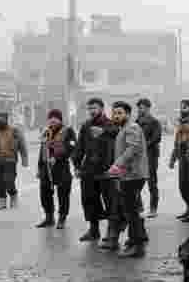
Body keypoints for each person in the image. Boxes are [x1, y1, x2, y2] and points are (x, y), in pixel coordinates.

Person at [102, 101, 150, 257]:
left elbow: (132, 149)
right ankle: (136, 240)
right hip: (128, 175)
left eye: (120, 113)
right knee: (131, 209)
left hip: (133, 175)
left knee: (131, 212)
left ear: (128, 114)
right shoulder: (124, 128)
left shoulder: (132, 127)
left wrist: (117, 166)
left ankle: (137, 246)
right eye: (114, 113)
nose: (116, 116)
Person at [72, 98, 119, 242]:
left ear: (102, 108)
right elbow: (79, 147)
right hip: (89, 169)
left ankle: (112, 231)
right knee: (89, 200)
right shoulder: (86, 126)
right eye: (90, 108)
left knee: (110, 201)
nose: (92, 111)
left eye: (94, 108)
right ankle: (94, 230)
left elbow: (115, 132)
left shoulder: (110, 124)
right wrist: (77, 165)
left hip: (107, 169)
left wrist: (103, 131)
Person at [35, 109, 77, 229]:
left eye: (55, 119)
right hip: (46, 168)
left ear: (60, 120)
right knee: (44, 193)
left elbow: (71, 147)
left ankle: (62, 218)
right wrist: (39, 167)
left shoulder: (68, 131)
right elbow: (42, 150)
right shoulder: (45, 132)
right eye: (50, 119)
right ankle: (49, 217)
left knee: (63, 193)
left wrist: (57, 157)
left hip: (61, 166)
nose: (52, 121)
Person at [0, 111, 28, 210]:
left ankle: (13, 197)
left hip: (10, 160)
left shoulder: (14, 131)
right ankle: (2, 202)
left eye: (2, 119)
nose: (0, 121)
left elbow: (22, 145)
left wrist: (24, 160)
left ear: (6, 120)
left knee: (9, 181)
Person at [169, 99, 189, 220]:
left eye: (185, 107)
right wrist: (173, 159)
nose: (182, 110)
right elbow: (177, 141)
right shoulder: (181, 122)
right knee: (183, 186)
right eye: (181, 107)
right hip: (182, 157)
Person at [135, 98, 162, 218]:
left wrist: (144, 145)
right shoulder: (136, 122)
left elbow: (157, 138)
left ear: (148, 108)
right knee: (135, 183)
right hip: (138, 157)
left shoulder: (154, 122)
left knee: (152, 183)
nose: (140, 109)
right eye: (139, 107)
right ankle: (139, 207)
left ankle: (153, 208)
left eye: (142, 107)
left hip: (151, 156)